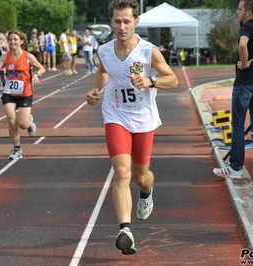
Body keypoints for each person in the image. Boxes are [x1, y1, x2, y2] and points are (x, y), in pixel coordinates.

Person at [85, 0, 178, 255]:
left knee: (140, 177)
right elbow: (104, 72)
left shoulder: (148, 51)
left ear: (136, 22)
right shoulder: (104, 50)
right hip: (116, 116)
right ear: (111, 22)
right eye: (117, 21)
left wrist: (150, 80)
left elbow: (173, 80)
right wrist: (96, 90)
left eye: (127, 21)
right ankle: (125, 229)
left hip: (144, 119)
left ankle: (147, 191)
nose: (122, 26)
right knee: (121, 171)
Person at [213, 0, 253, 181]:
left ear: (248, 12)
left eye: (239, 9)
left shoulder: (246, 28)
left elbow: (242, 45)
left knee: (238, 125)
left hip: (244, 84)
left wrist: (245, 63)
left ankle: (236, 167)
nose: (237, 13)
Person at [0, 30, 45, 160]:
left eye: (15, 39)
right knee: (11, 121)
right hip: (9, 93)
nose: (12, 41)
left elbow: (42, 68)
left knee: (22, 124)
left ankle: (29, 122)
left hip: (25, 93)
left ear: (21, 42)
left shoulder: (28, 56)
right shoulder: (4, 57)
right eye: (11, 39)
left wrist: (36, 74)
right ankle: (17, 149)